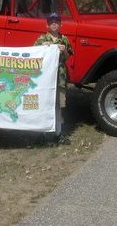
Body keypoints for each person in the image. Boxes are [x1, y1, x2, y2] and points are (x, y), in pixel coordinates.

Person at [34, 12, 73, 144]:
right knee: (44, 105)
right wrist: (42, 48)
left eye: (56, 21)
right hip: (45, 79)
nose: (54, 24)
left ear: (60, 24)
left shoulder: (64, 39)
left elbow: (68, 58)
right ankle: (42, 134)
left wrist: (64, 50)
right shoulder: (41, 39)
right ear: (47, 24)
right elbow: (33, 56)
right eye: (51, 22)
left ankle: (58, 134)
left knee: (58, 106)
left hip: (60, 78)